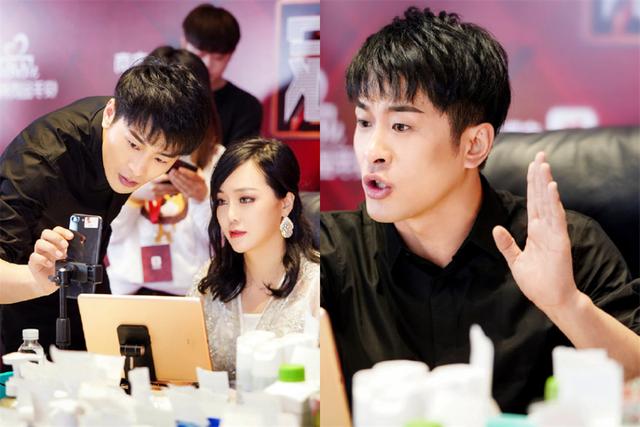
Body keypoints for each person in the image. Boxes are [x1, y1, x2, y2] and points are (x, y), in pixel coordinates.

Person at [320, 7, 640, 414]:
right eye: (365, 122)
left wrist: (567, 304)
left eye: (401, 126)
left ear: (474, 145)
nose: (372, 151)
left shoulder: (569, 247)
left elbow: (636, 378)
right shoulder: (331, 252)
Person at [0, 60, 212, 354]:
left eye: (161, 159)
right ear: (110, 113)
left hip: (89, 286)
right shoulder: (39, 160)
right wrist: (36, 281)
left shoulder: (139, 136)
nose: (138, 169)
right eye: (133, 145)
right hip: (22, 302)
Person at [188, 137, 319, 379]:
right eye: (221, 201)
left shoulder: (315, 286)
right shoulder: (209, 278)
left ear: (286, 203)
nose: (230, 215)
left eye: (246, 199)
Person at [107, 47, 224, 296]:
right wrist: (134, 197)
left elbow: (226, 243)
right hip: (127, 289)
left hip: (193, 292)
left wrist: (202, 198)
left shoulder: (218, 159)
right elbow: (107, 237)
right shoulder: (123, 149)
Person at [182, 3, 263, 146]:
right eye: (200, 54)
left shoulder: (246, 107)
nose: (207, 64)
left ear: (231, 55)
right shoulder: (160, 91)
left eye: (218, 58)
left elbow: (237, 158)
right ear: (184, 43)